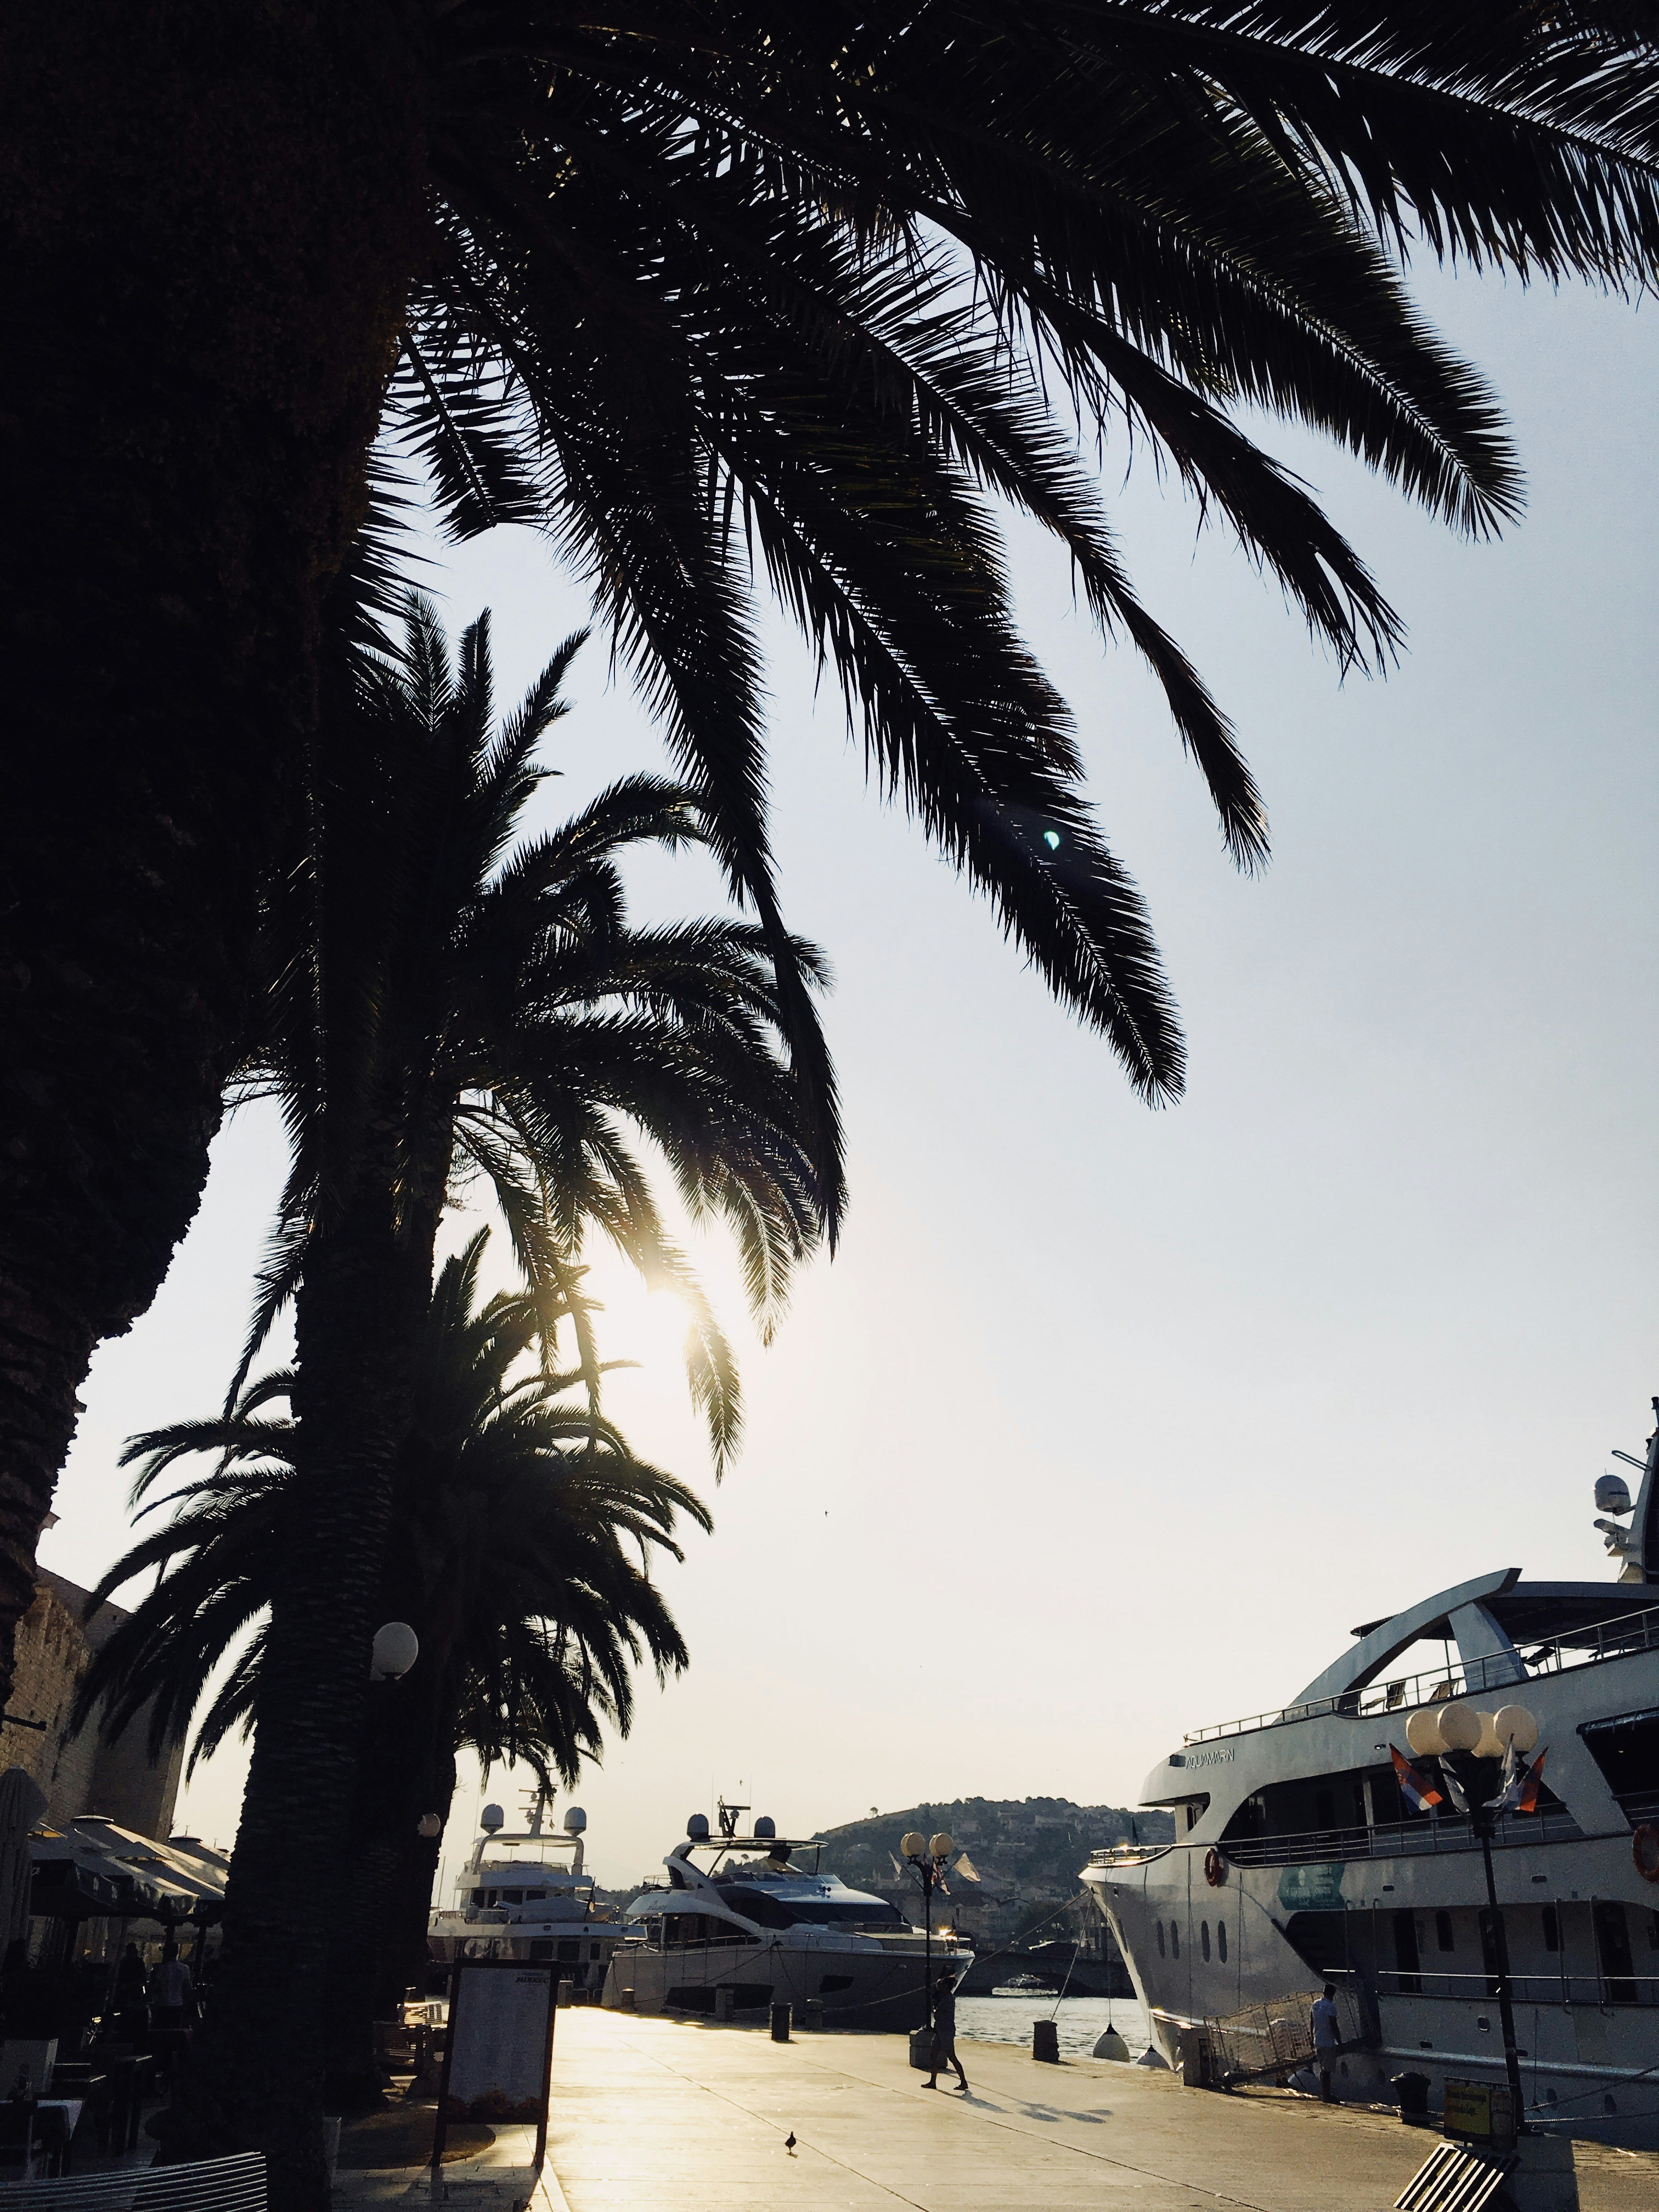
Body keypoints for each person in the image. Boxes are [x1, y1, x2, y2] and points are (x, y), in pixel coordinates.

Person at [147, 1938, 194, 2086]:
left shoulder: (160, 1970)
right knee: (174, 2040)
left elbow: (153, 1990)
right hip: (177, 2008)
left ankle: (162, 2068)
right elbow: (187, 1990)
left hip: (163, 2008)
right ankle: (170, 2071)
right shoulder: (185, 1969)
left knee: (160, 2040)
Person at [923, 1970, 969, 2095]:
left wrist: (933, 2003)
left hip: (946, 2031)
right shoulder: (944, 1997)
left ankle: (964, 2081)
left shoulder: (948, 1999)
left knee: (952, 2056)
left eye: (941, 1985)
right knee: (934, 2055)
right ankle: (933, 2082)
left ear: (945, 1987)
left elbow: (939, 2013)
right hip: (940, 2030)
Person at [1311, 1983, 1340, 2102]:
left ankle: (1324, 2094)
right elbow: (1333, 2025)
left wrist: (1311, 2038)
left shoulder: (1315, 2004)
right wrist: (1340, 2041)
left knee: (1323, 2070)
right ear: (1332, 1994)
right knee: (1327, 2071)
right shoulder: (1331, 2006)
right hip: (1328, 2042)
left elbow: (1311, 2022)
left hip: (1317, 2040)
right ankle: (1326, 2096)